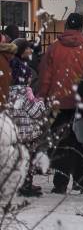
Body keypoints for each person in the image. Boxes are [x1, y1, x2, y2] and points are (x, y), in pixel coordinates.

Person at [36, 12, 83, 194]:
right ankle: (82, 181)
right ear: (82, 28)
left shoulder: (54, 48)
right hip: (81, 102)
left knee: (61, 143)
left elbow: (45, 75)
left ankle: (60, 183)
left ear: (66, 26)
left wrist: (43, 96)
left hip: (58, 102)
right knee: (81, 142)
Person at [8, 39, 46, 197]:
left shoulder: (8, 91)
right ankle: (26, 185)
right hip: (27, 133)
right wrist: (41, 103)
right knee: (29, 159)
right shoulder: (25, 92)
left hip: (14, 132)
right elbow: (35, 112)